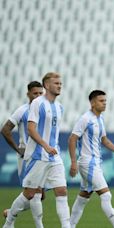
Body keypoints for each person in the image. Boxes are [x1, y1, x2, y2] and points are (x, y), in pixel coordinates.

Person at [12, 72, 70, 228]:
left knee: (62, 191)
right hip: (37, 156)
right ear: (47, 85)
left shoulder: (59, 107)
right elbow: (31, 129)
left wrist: (52, 147)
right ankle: (10, 220)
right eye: (56, 83)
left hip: (54, 156)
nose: (59, 86)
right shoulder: (37, 103)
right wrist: (45, 145)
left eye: (60, 83)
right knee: (30, 194)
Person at [68, 90, 114, 228]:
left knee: (83, 197)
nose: (104, 104)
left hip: (94, 162)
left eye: (105, 101)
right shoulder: (85, 119)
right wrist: (73, 162)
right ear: (92, 103)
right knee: (106, 195)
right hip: (88, 162)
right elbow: (72, 139)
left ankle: (69, 226)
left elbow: (104, 140)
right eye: (101, 101)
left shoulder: (100, 119)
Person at [2, 81, 44, 226]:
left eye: (40, 93)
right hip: (27, 158)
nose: (38, 96)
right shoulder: (22, 110)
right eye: (35, 93)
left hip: (42, 157)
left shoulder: (45, 110)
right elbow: (5, 129)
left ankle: (10, 213)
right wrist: (17, 148)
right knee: (35, 193)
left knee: (38, 195)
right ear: (28, 94)